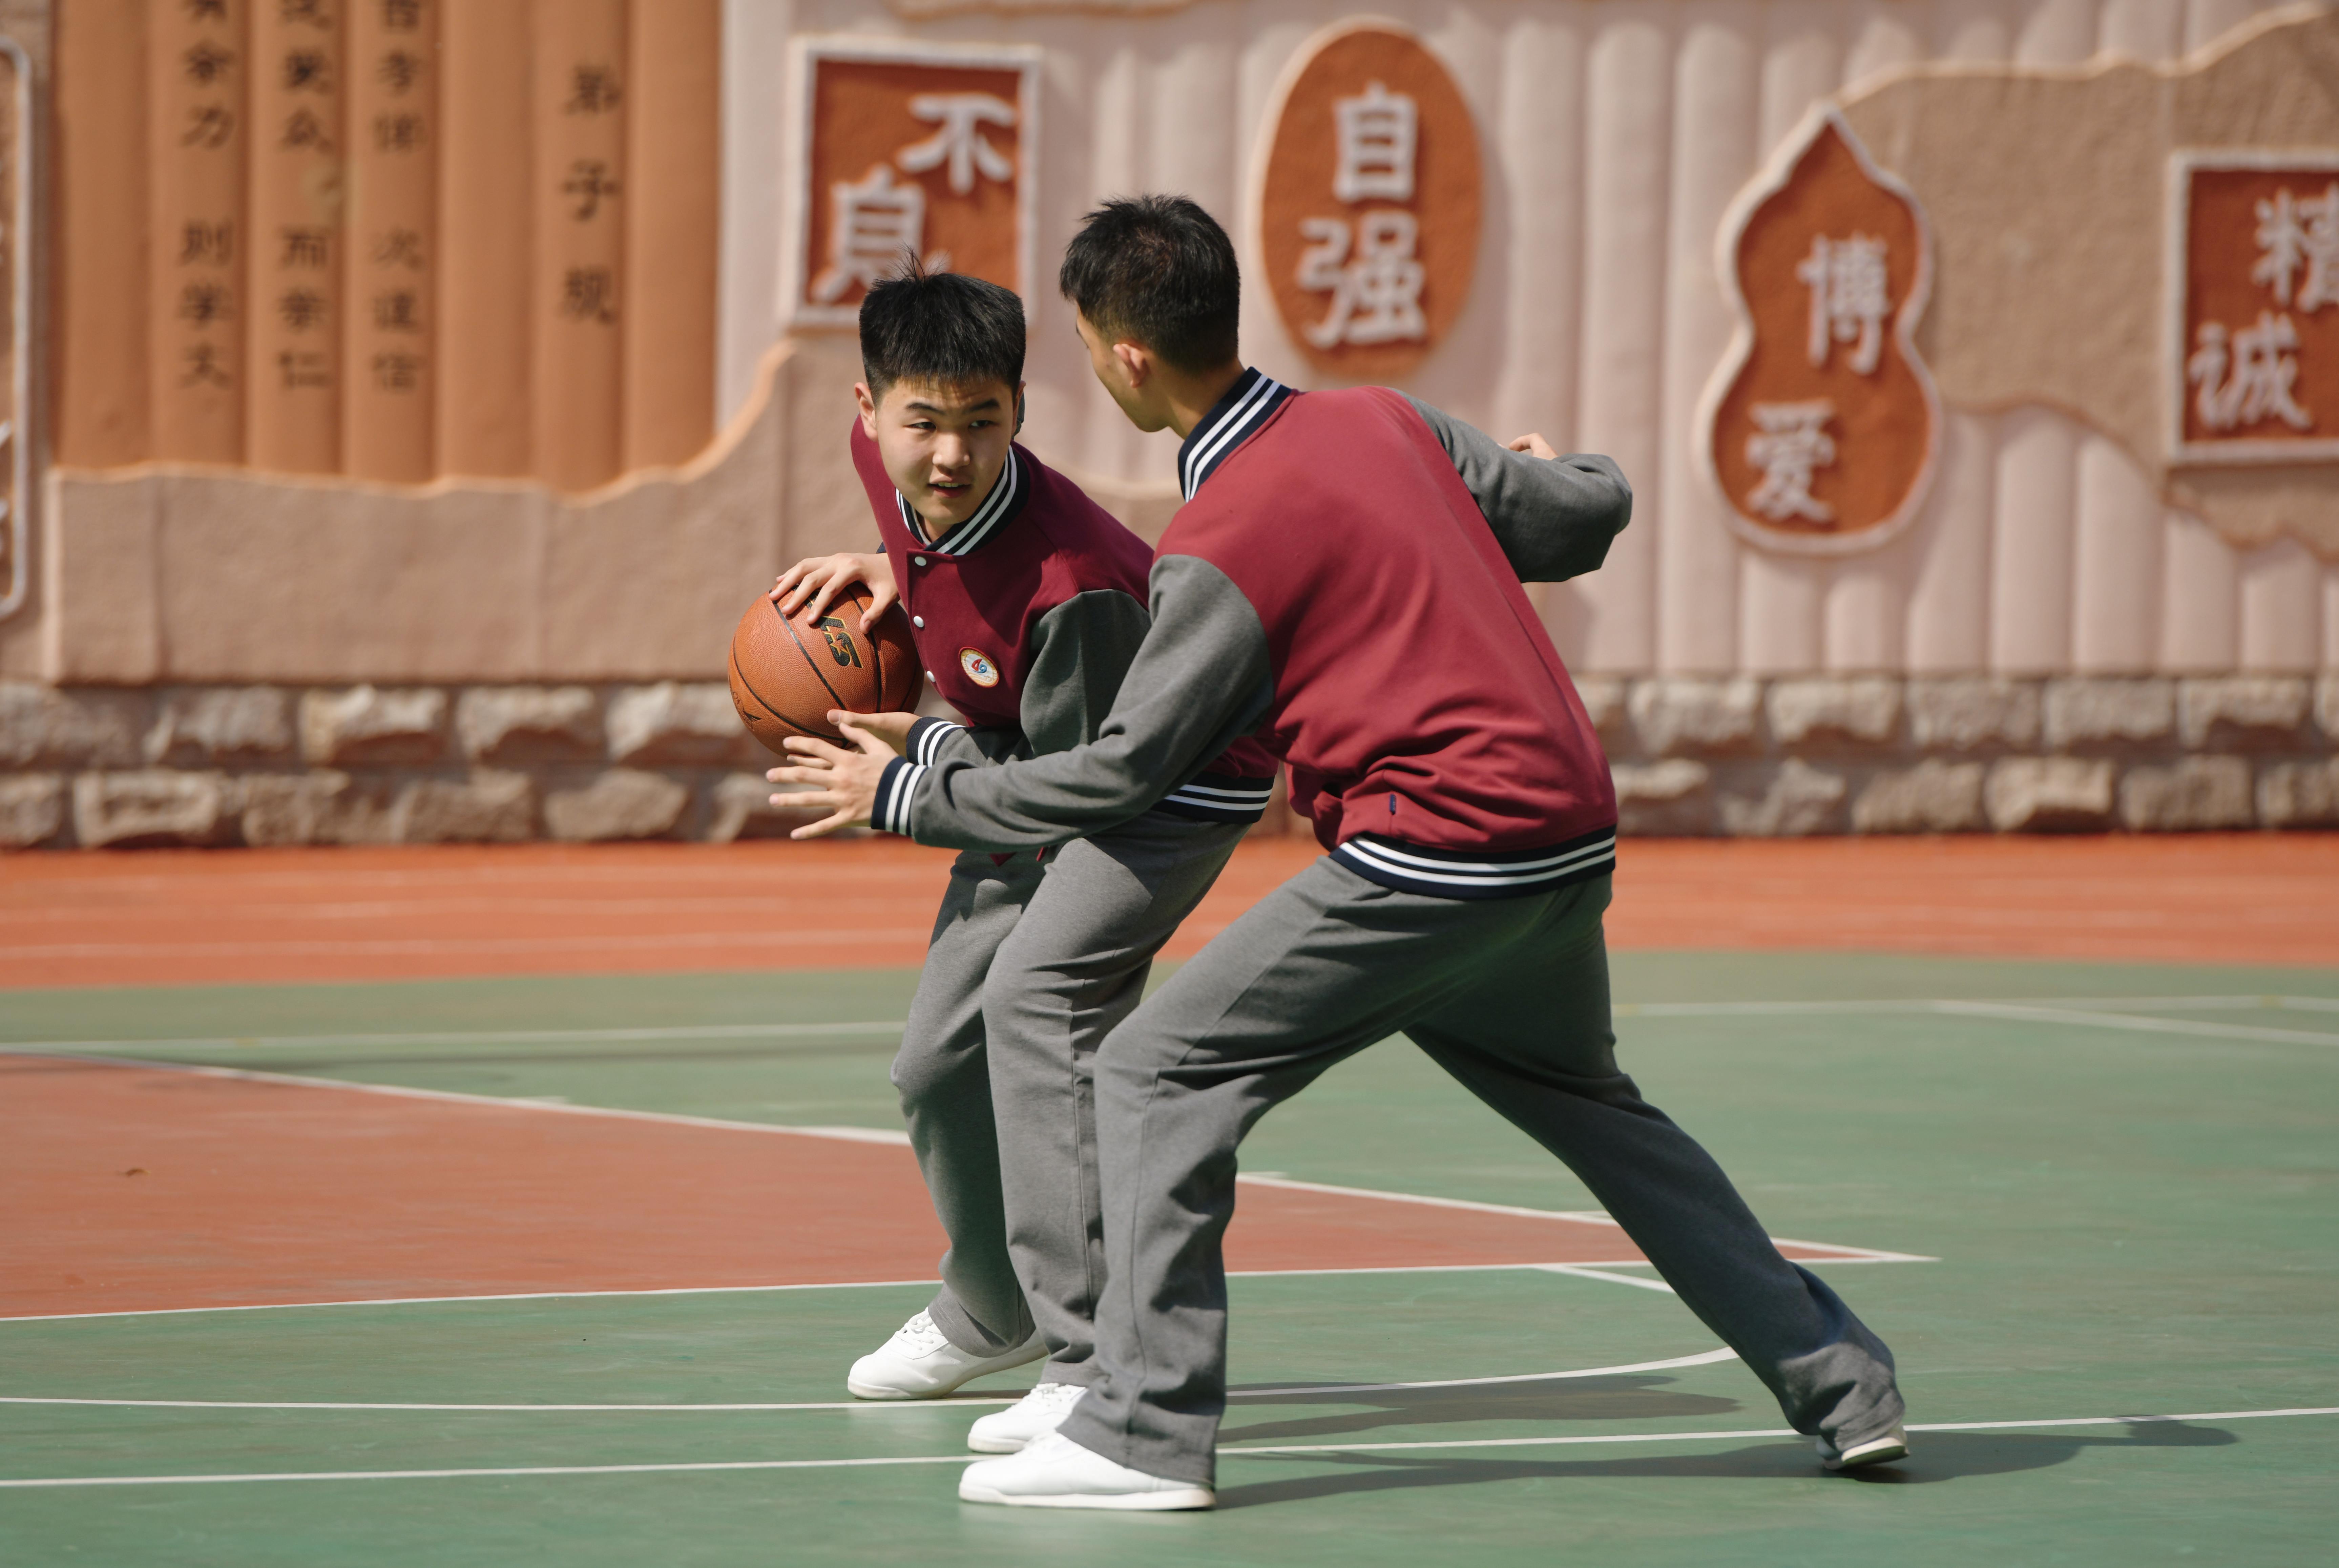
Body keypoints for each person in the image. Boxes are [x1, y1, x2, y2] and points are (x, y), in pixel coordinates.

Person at [773, 196, 1908, 1511]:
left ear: (1126, 358)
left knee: (1151, 1070)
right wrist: (1569, 471)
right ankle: (1845, 1386)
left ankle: (1140, 1430)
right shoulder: (1385, 419)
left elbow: (1125, 770)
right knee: (1599, 1115)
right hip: (1564, 836)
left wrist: (912, 789)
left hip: (1432, 853)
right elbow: (1577, 518)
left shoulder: (1216, 541)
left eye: (1080, 349)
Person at [765, 261, 1277, 1455]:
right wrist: (892, 565)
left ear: (1020, 412)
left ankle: (1091, 1360)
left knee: (1038, 1010)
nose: (950, 454)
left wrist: (913, 779)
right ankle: (989, 1306)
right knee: (932, 1064)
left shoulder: (1073, 585)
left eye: (982, 422)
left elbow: (1088, 788)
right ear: (867, 410)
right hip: (1035, 765)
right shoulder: (895, 475)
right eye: (923, 423)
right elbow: (1015, 746)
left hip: (1166, 790)